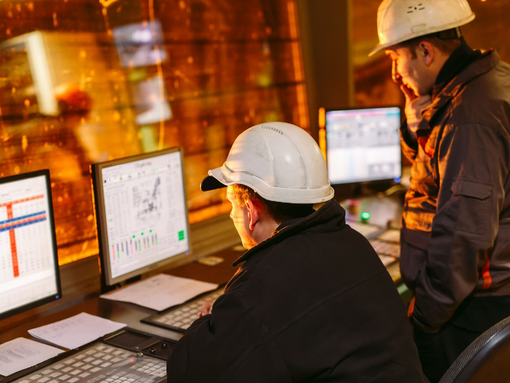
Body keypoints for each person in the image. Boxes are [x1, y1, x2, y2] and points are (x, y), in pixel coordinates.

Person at [166, 122, 426, 382]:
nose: (233, 214)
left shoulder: (263, 284)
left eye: (232, 205)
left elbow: (189, 372)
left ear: (252, 211)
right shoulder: (352, 242)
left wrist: (212, 318)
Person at [370, 0, 510, 381]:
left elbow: (465, 231)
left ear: (426, 51)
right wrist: (418, 115)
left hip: (468, 308)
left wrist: (424, 316)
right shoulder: (478, 85)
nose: (396, 72)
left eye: (397, 58)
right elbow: (436, 172)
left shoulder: (470, 115)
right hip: (474, 298)